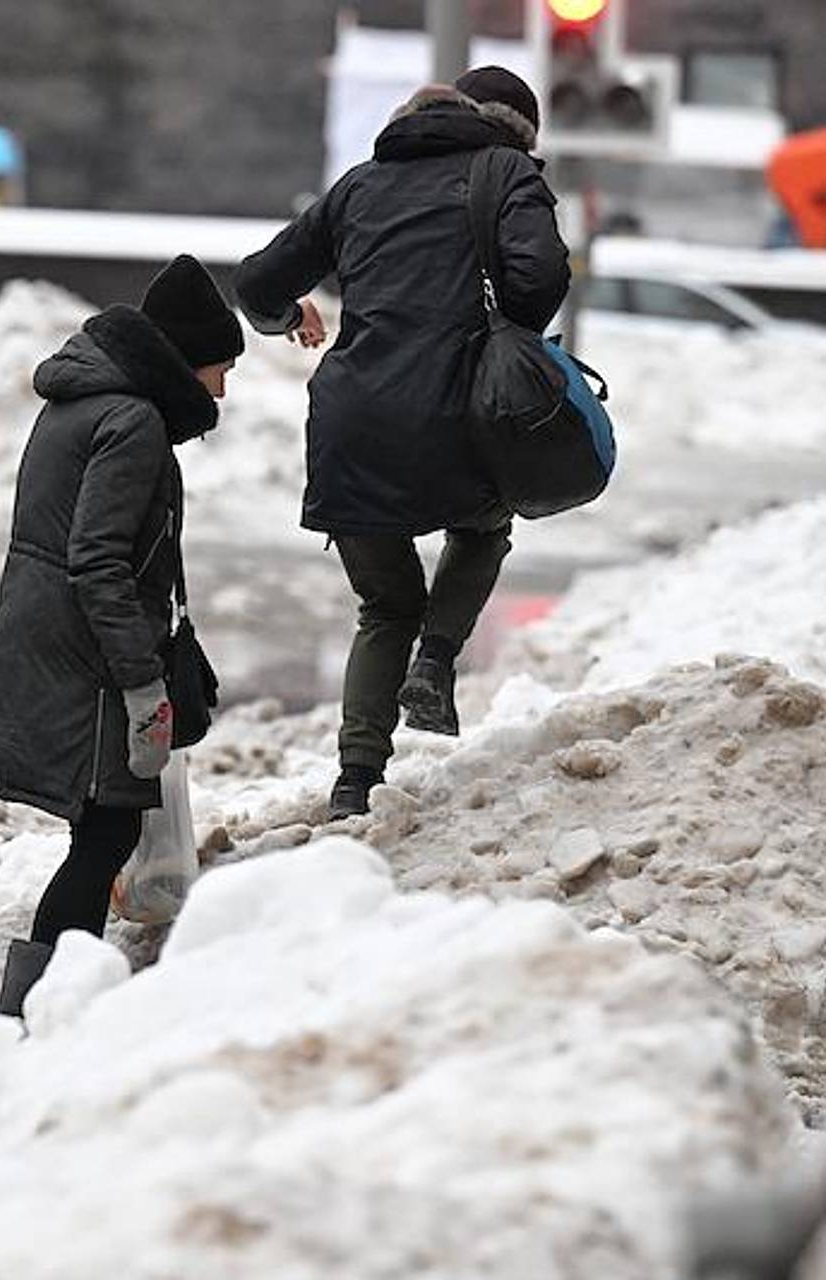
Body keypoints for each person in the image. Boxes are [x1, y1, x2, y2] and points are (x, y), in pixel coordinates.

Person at [236, 67, 570, 819]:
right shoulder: (507, 173)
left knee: (385, 603)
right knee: (484, 526)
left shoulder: (359, 185)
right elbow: (540, 276)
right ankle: (437, 658)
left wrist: (291, 315)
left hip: (353, 419)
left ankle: (355, 782)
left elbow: (257, 283)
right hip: (458, 411)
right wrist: (503, 322)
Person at [0, 255, 244, 1017]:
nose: (221, 390)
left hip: (56, 634)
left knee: (103, 823)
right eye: (220, 368)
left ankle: (54, 997)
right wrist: (143, 682)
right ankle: (33, 1006)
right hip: (83, 654)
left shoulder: (88, 400)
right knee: (108, 826)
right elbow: (99, 561)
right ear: (187, 360)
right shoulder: (134, 421)